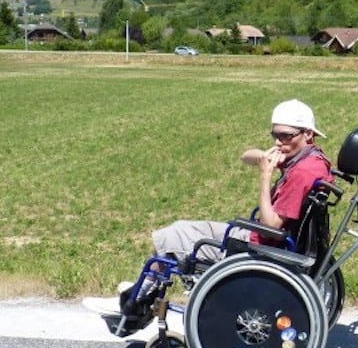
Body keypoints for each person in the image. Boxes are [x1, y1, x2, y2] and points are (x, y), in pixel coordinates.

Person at [85, 99, 332, 333]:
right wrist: (263, 158)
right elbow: (245, 156)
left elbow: (271, 223)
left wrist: (265, 176)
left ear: (307, 133)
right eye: (274, 135)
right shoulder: (312, 160)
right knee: (180, 229)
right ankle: (139, 295)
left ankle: (132, 304)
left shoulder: (301, 172)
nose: (279, 142)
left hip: (261, 244)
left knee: (174, 237)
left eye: (285, 136)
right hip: (266, 239)